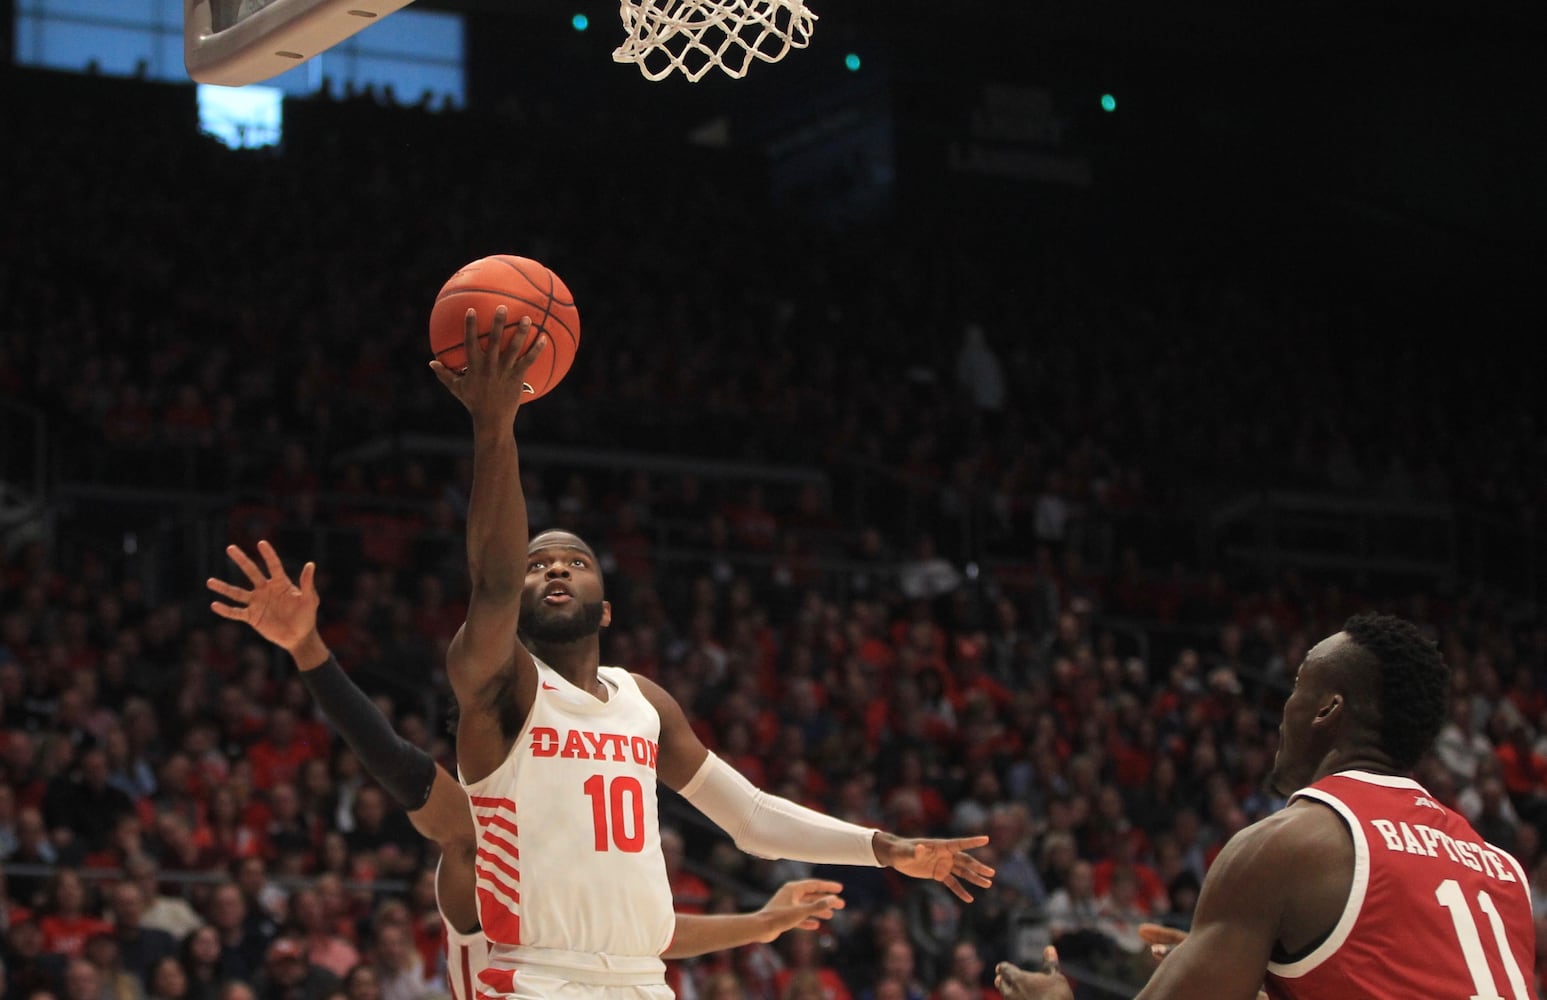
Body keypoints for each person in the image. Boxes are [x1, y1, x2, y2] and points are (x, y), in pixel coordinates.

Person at [426, 309, 990, 982]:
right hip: (537, 977)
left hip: (641, 980)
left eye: (575, 563)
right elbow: (489, 582)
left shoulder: (642, 701)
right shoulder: (499, 683)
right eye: (537, 563)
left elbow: (750, 817)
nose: (553, 568)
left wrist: (884, 848)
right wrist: (494, 427)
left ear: (605, 609)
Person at [207, 539, 854, 1000]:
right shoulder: (472, 835)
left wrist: (761, 924)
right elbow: (396, 761)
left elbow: (637, 939)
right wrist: (310, 651)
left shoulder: (569, 856)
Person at [992, 613, 1538, 1000]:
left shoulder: (1290, 845)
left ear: (1327, 708)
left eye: (1299, 683)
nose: (1285, 706)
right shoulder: (1503, 870)